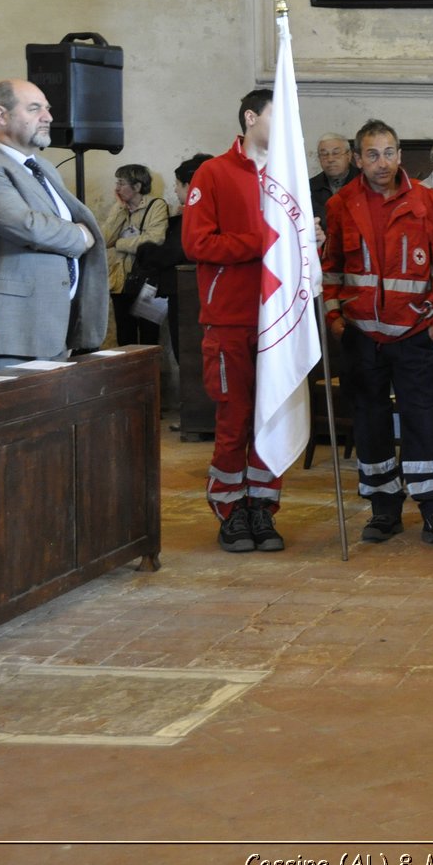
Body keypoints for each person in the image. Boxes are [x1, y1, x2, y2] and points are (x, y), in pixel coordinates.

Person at [322, 119, 433, 549]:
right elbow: (330, 268)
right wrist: (335, 317)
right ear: (357, 158)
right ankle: (383, 508)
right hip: (361, 336)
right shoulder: (341, 204)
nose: (381, 162)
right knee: (369, 423)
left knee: (424, 422)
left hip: (414, 335)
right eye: (371, 154)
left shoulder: (425, 202)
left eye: (388, 153)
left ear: (401, 156)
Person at [181, 89, 286, 554]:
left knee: (271, 418)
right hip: (230, 319)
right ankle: (229, 507)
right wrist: (262, 240)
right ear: (250, 117)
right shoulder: (214, 172)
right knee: (234, 418)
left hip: (279, 319)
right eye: (275, 116)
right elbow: (198, 244)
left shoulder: (286, 176)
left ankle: (261, 507)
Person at [0, 79, 107, 368]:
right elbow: (25, 225)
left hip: (53, 324)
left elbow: (48, 222)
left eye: (47, 109)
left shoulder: (44, 167)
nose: (48, 117)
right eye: (35, 108)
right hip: (15, 328)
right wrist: (79, 237)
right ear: (2, 115)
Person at [133, 153, 210, 363]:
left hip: (186, 294)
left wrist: (145, 250)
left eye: (177, 184)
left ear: (190, 185)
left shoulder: (195, 219)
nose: (175, 190)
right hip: (192, 292)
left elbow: (173, 253)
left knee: (188, 356)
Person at [102, 163, 170, 347]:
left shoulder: (156, 206)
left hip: (149, 284)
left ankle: (149, 376)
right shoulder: (120, 209)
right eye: (117, 183)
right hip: (121, 283)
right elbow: (104, 239)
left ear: (137, 186)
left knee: (149, 338)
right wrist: (119, 208)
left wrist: (119, 243)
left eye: (121, 183)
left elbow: (153, 241)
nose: (117, 188)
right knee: (125, 338)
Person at [309, 133, 354, 232]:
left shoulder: (363, 182)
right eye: (324, 154)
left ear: (349, 155)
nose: (330, 159)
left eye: (336, 153)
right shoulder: (309, 188)